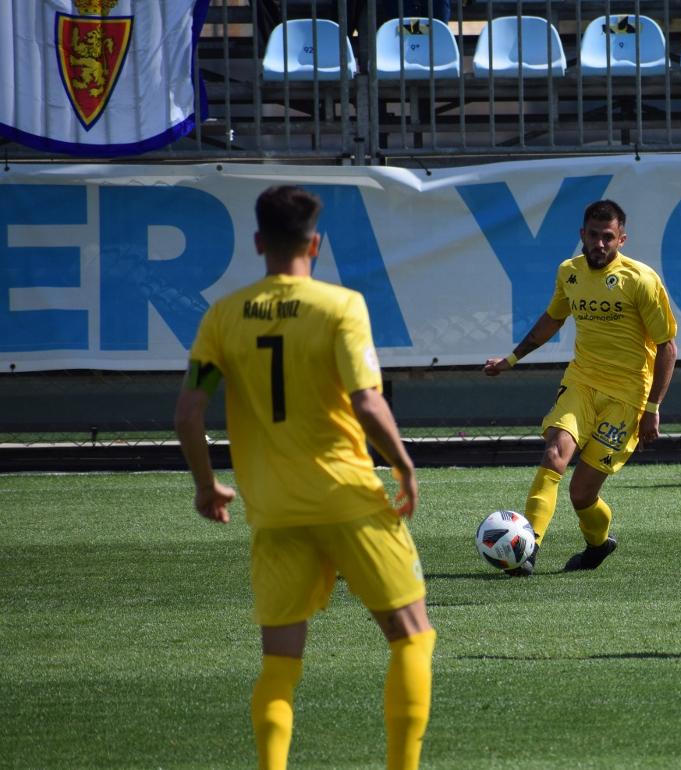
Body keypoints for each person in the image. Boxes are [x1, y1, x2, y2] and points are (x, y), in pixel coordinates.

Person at [173, 186, 435, 770]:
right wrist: (404, 465)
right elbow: (368, 404)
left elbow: (188, 413)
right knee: (412, 635)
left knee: (280, 664)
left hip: (273, 508)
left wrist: (205, 485)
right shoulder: (340, 306)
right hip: (346, 495)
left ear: (259, 241)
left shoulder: (223, 315)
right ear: (315, 244)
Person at [483, 199, 678, 576]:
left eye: (608, 237)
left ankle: (598, 545)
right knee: (555, 454)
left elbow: (668, 347)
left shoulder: (641, 280)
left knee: (582, 494)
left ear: (622, 238)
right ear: (582, 236)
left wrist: (653, 408)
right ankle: (529, 548)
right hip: (582, 382)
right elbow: (553, 318)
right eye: (593, 235)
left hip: (627, 397)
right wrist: (511, 359)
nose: (600, 244)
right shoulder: (569, 273)